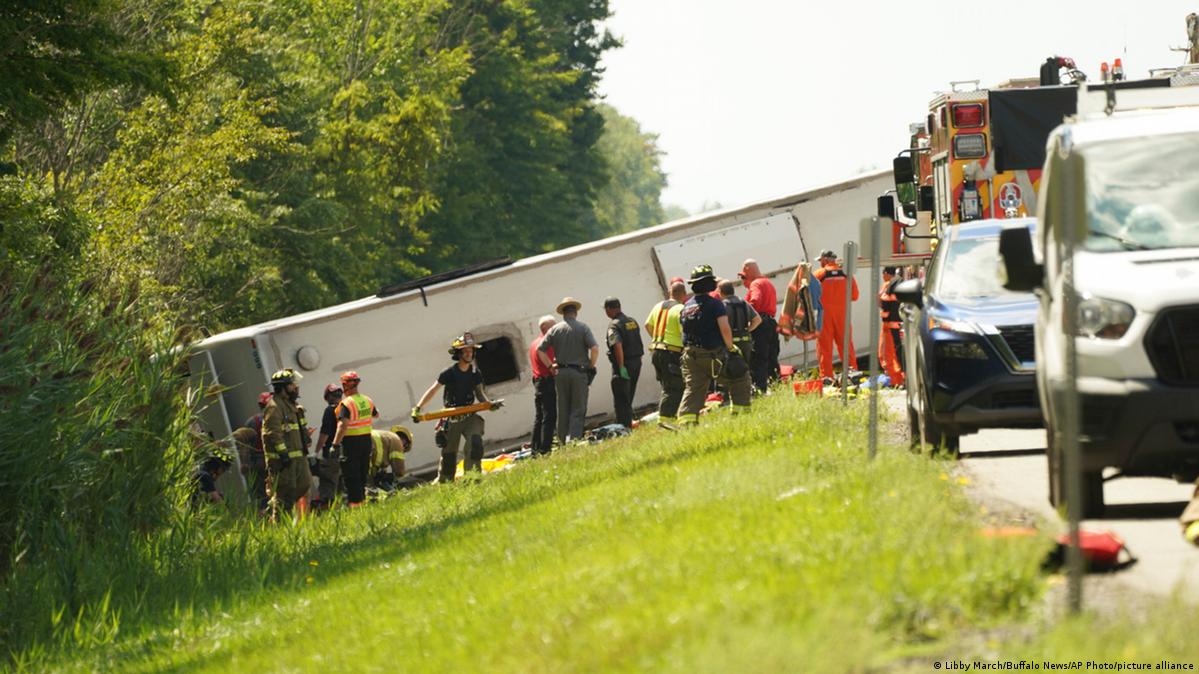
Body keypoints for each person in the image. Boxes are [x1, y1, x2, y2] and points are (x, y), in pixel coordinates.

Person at [413, 334, 501, 482]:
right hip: (451, 419)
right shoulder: (449, 373)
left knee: (475, 446)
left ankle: (473, 480)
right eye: (465, 351)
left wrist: (488, 404)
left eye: (471, 351)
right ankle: (446, 484)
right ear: (458, 354)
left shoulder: (475, 373)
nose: (469, 354)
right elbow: (433, 390)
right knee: (449, 456)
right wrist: (418, 408)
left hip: (470, 417)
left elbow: (479, 394)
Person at [678, 265, 751, 425]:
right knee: (740, 377)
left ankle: (686, 424)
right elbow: (725, 328)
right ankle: (740, 417)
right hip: (712, 355)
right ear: (709, 283)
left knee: (694, 388)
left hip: (690, 356)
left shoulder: (686, 306)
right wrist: (731, 348)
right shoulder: (715, 304)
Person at [537, 298, 599, 443]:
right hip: (579, 372)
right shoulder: (583, 327)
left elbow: (541, 350)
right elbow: (595, 348)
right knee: (578, 408)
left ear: (563, 314)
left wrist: (550, 366)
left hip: (561, 373)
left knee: (563, 408)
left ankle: (561, 442)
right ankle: (575, 441)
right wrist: (591, 364)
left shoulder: (554, 329)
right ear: (575, 312)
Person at [261, 368, 313, 519]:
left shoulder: (292, 405)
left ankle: (276, 506)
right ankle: (277, 522)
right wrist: (283, 454)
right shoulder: (274, 407)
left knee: (304, 485)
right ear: (282, 387)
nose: (296, 388)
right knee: (285, 492)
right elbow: (273, 433)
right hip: (284, 461)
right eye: (292, 385)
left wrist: (305, 438)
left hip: (299, 457)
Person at [331, 370, 378, 506]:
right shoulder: (367, 400)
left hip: (351, 443)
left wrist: (335, 445)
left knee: (352, 476)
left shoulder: (346, 403)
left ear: (346, 385)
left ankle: (356, 506)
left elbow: (343, 425)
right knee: (362, 473)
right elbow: (376, 414)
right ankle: (362, 502)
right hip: (366, 441)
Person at [813, 248, 859, 382]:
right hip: (842, 315)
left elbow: (809, 295)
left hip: (824, 316)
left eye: (821, 260)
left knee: (824, 348)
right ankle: (852, 375)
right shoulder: (846, 274)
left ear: (826, 260)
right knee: (846, 346)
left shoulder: (819, 274)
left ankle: (827, 377)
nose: (820, 263)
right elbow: (855, 296)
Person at [644, 281, 687, 425]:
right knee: (675, 385)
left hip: (656, 351)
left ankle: (668, 416)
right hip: (671, 352)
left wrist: (657, 339)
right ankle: (666, 419)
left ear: (670, 293)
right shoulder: (681, 309)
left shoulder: (658, 306)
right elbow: (683, 332)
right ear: (684, 295)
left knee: (666, 384)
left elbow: (647, 325)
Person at [604, 297, 645, 428]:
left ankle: (623, 427)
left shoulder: (614, 325)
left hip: (624, 365)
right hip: (636, 363)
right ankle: (627, 423)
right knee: (629, 395)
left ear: (609, 309)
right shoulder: (632, 321)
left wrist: (621, 366)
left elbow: (617, 345)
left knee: (621, 398)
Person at [740, 259, 780, 392]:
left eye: (744, 277)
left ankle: (760, 388)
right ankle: (776, 385)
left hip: (760, 325)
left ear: (748, 271)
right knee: (772, 356)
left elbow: (755, 301)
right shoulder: (768, 282)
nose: (743, 281)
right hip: (771, 323)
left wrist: (745, 316)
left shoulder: (756, 284)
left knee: (759, 357)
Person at [719, 279, 762, 387]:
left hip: (731, 343)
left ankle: (735, 394)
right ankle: (750, 390)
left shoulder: (721, 306)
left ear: (721, 292)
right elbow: (757, 320)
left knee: (731, 370)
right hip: (746, 341)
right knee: (746, 368)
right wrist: (747, 330)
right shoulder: (743, 302)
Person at [311, 383, 344, 508]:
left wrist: (316, 451)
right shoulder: (347, 408)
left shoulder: (330, 410)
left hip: (332, 451)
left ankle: (326, 508)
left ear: (328, 397)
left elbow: (325, 433)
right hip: (347, 450)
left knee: (328, 483)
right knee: (342, 483)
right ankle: (344, 507)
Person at [528, 315, 557, 455]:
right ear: (544, 328)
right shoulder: (546, 344)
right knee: (549, 415)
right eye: (553, 326)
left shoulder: (534, 343)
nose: (555, 328)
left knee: (540, 417)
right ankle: (545, 449)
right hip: (546, 381)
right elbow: (551, 363)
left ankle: (535, 448)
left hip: (538, 380)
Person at [242, 391, 272, 512]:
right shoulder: (276, 419)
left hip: (256, 462)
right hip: (272, 460)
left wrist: (244, 463)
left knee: (260, 493)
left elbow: (244, 445)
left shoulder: (251, 422)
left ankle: (263, 515)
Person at [878, 266, 906, 388]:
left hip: (889, 326)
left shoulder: (888, 285)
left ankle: (895, 380)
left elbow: (884, 304)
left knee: (888, 354)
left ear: (886, 273)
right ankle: (901, 379)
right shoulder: (900, 284)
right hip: (899, 325)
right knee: (899, 352)